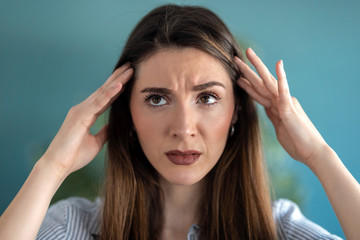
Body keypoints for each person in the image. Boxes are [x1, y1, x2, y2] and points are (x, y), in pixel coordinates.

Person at [0, 4, 359, 240]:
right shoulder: (73, 227)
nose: (183, 127)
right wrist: (53, 166)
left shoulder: (277, 229)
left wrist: (318, 155)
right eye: (157, 98)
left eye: (207, 98)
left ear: (236, 111)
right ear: (128, 114)